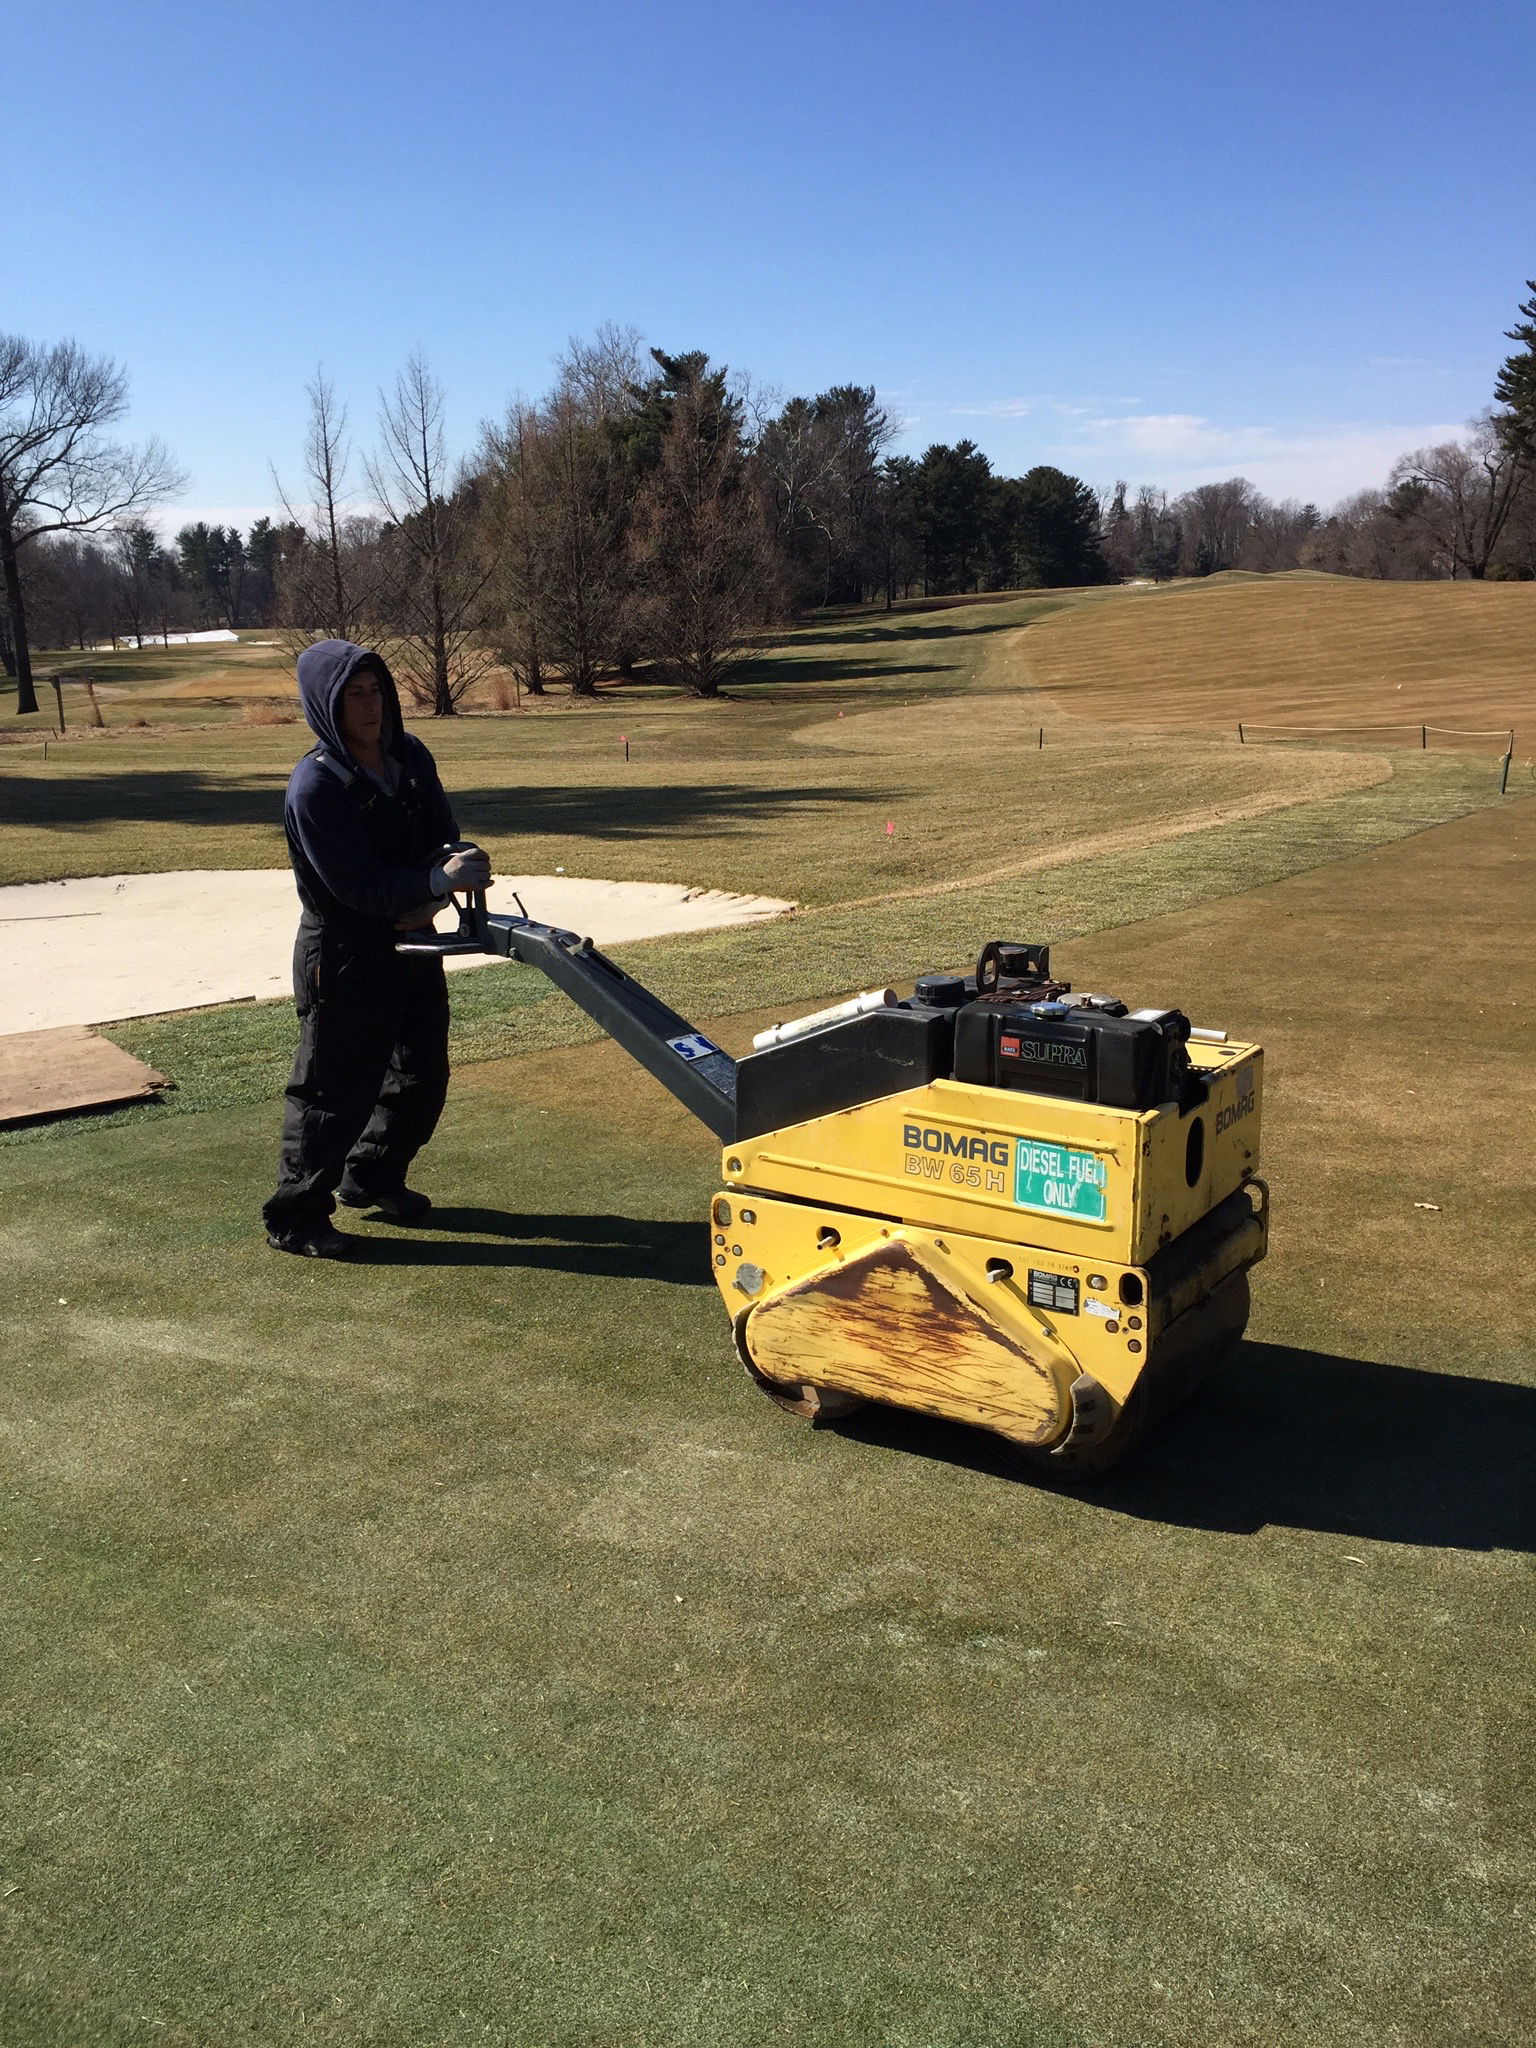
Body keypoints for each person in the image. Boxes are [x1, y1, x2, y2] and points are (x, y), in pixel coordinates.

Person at [261, 640, 491, 1258]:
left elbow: (440, 834)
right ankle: (297, 1216)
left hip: (414, 940)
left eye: (376, 691)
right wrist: (435, 885)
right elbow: (357, 886)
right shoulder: (315, 786)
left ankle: (373, 1175)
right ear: (324, 707)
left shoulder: (410, 756)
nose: (371, 707)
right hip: (343, 952)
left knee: (420, 1075)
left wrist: (445, 873)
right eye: (353, 696)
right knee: (332, 1090)